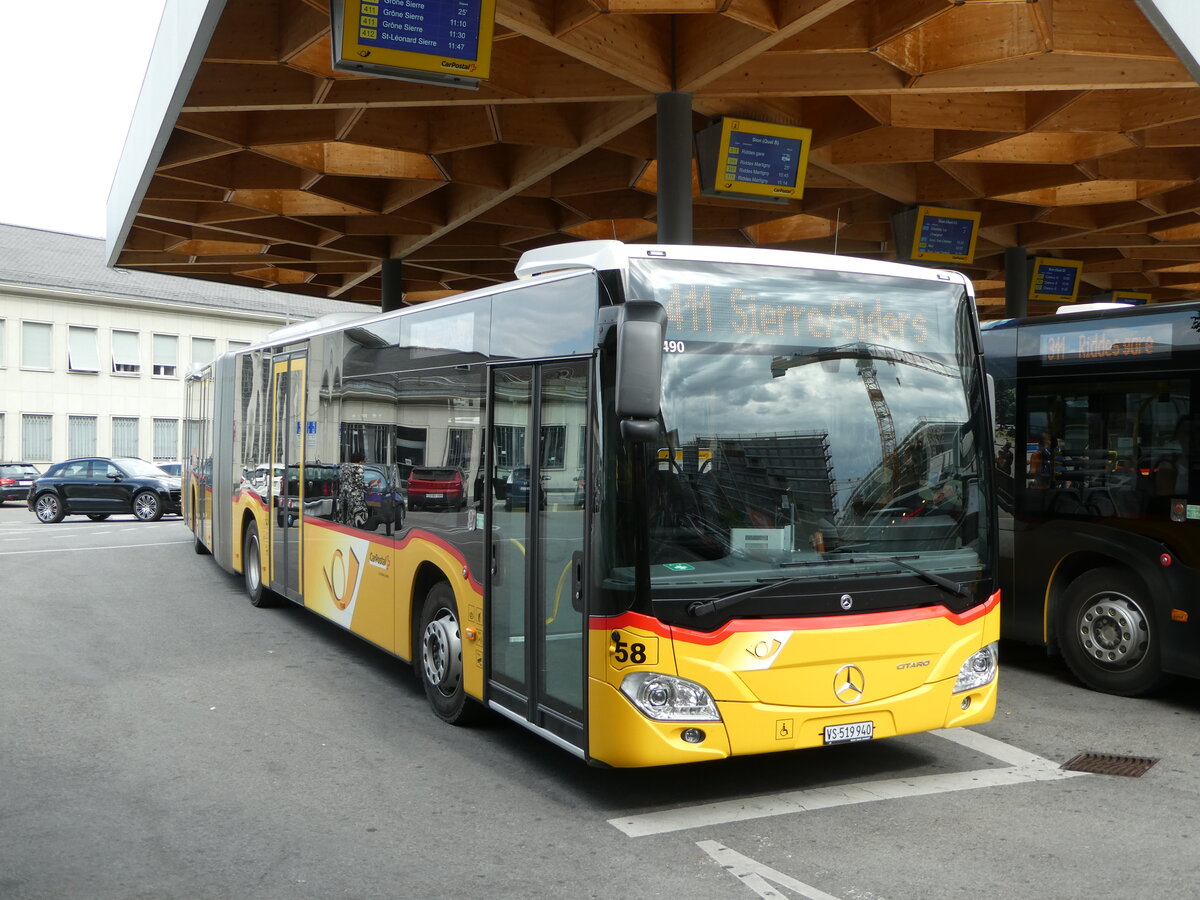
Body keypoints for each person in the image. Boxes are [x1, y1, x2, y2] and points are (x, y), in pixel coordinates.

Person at [339, 450, 368, 528]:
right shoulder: (358, 468)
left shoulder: (344, 466)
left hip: (343, 494)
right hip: (355, 496)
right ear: (360, 461)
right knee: (356, 514)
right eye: (363, 461)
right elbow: (360, 483)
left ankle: (344, 527)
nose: (363, 463)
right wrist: (370, 484)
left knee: (344, 514)